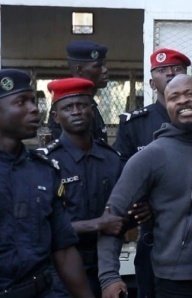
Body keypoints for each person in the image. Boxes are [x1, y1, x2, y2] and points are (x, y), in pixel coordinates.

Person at [112, 47, 192, 298]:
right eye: (162, 70)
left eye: (177, 69)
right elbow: (124, 180)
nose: (170, 74)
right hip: (154, 236)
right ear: (152, 82)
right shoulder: (136, 123)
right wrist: (144, 202)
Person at [0, 69, 94, 297]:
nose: (34, 108)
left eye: (33, 101)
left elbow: (63, 248)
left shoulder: (43, 170)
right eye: (21, 102)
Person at [38, 78, 125, 297]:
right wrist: (97, 224)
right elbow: (42, 226)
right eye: (68, 107)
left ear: (93, 111)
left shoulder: (112, 159)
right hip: (59, 270)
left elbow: (121, 215)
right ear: (56, 117)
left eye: (82, 105)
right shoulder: (45, 164)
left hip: (104, 266)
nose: (76, 112)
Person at [48, 40, 110, 142]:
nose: (105, 70)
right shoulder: (67, 106)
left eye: (104, 65)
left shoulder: (90, 103)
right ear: (79, 69)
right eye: (98, 66)